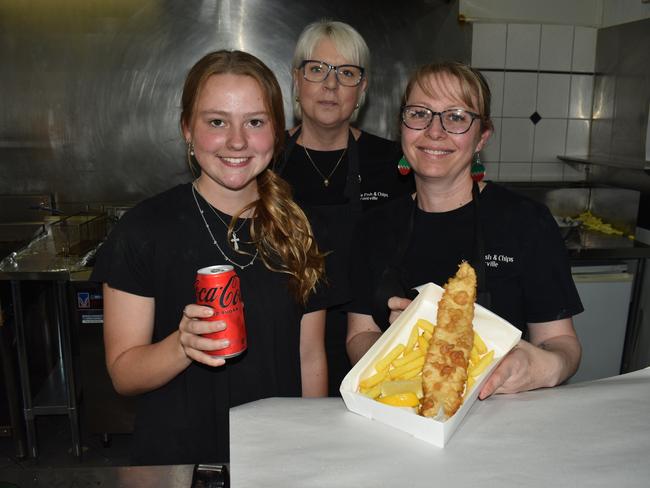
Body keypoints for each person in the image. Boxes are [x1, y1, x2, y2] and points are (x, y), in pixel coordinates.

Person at [91, 50, 327, 466]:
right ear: (187, 129)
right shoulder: (144, 229)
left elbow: (309, 358)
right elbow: (123, 374)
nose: (237, 141)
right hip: (177, 463)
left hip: (276, 459)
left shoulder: (298, 228)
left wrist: (312, 452)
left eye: (255, 122)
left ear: (277, 131)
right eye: (216, 122)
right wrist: (181, 346)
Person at [346, 61, 583, 398]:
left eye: (456, 117)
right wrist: (394, 353)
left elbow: (560, 342)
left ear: (481, 137)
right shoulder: (374, 226)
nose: (435, 131)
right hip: (399, 413)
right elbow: (359, 333)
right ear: (402, 126)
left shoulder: (526, 221)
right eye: (419, 113)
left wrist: (547, 368)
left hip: (500, 414)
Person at [275, 19, 414, 396]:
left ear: (363, 88)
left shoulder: (394, 163)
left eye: (347, 73)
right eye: (317, 69)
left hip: (375, 341)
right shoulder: (266, 162)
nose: (331, 84)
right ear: (296, 80)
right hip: (287, 345)